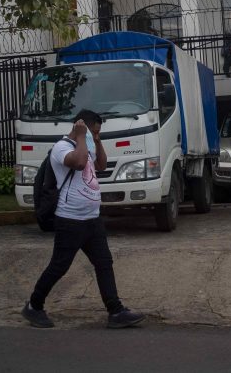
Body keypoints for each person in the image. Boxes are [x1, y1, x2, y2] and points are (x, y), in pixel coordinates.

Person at [22, 110, 145, 329]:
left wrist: (97, 141)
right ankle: (33, 306)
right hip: (70, 219)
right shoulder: (63, 147)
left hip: (92, 219)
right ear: (82, 128)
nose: (95, 135)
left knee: (104, 263)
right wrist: (80, 137)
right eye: (94, 131)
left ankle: (115, 311)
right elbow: (78, 164)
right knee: (59, 266)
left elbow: (101, 165)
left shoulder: (86, 146)